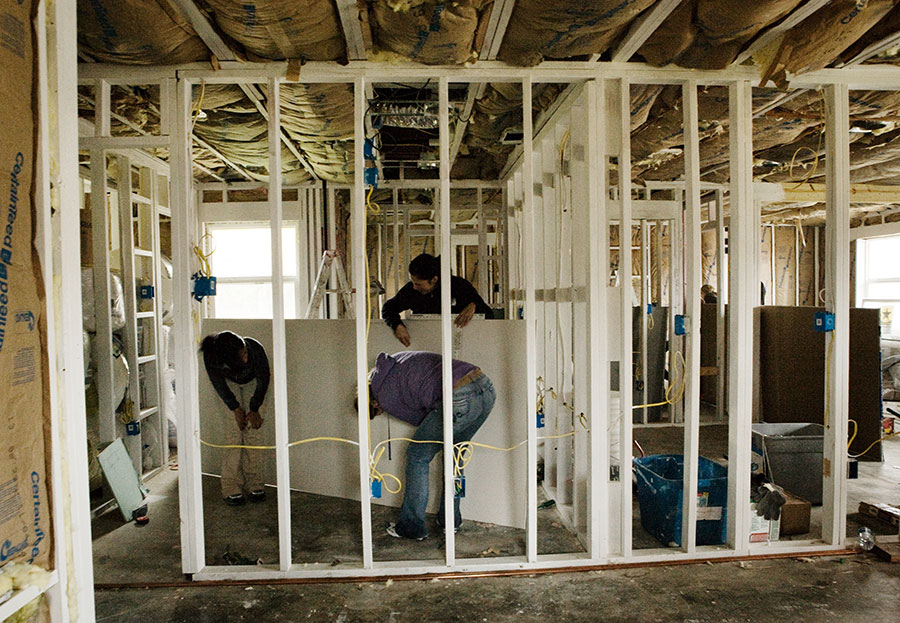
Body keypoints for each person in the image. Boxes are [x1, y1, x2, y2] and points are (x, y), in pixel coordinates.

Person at [365, 350, 495, 540]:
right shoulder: (396, 361)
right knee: (455, 457)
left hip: (458, 394)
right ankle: (450, 521)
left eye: (378, 412)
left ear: (374, 404)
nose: (383, 411)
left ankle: (412, 527)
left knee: (417, 456)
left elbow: (420, 419)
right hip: (485, 387)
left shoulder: (383, 394)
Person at [200, 331, 271, 506]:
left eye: (245, 352)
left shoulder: (255, 349)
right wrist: (235, 407)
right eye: (242, 356)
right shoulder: (212, 356)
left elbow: (263, 380)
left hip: (253, 383)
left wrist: (254, 409)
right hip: (229, 383)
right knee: (234, 434)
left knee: (253, 432)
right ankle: (231, 487)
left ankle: (255, 484)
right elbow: (218, 383)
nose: (246, 359)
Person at [381, 253, 493, 347]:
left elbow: (489, 314)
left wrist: (474, 305)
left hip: (461, 344)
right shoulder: (411, 291)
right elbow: (388, 308)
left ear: (434, 279)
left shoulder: (459, 286)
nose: (414, 287)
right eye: (413, 282)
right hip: (426, 344)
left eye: (418, 284)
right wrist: (397, 325)